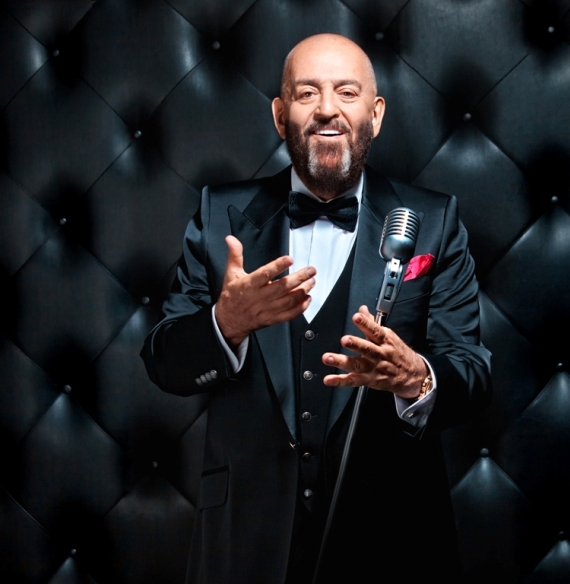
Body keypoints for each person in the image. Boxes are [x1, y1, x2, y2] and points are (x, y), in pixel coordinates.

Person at [141, 33, 491, 584]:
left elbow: (471, 373)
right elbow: (163, 361)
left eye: (347, 92)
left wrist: (415, 378)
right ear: (281, 116)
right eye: (307, 93)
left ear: (375, 114)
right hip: (246, 540)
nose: (327, 108)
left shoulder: (435, 220)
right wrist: (225, 324)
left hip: (392, 538)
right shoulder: (220, 215)